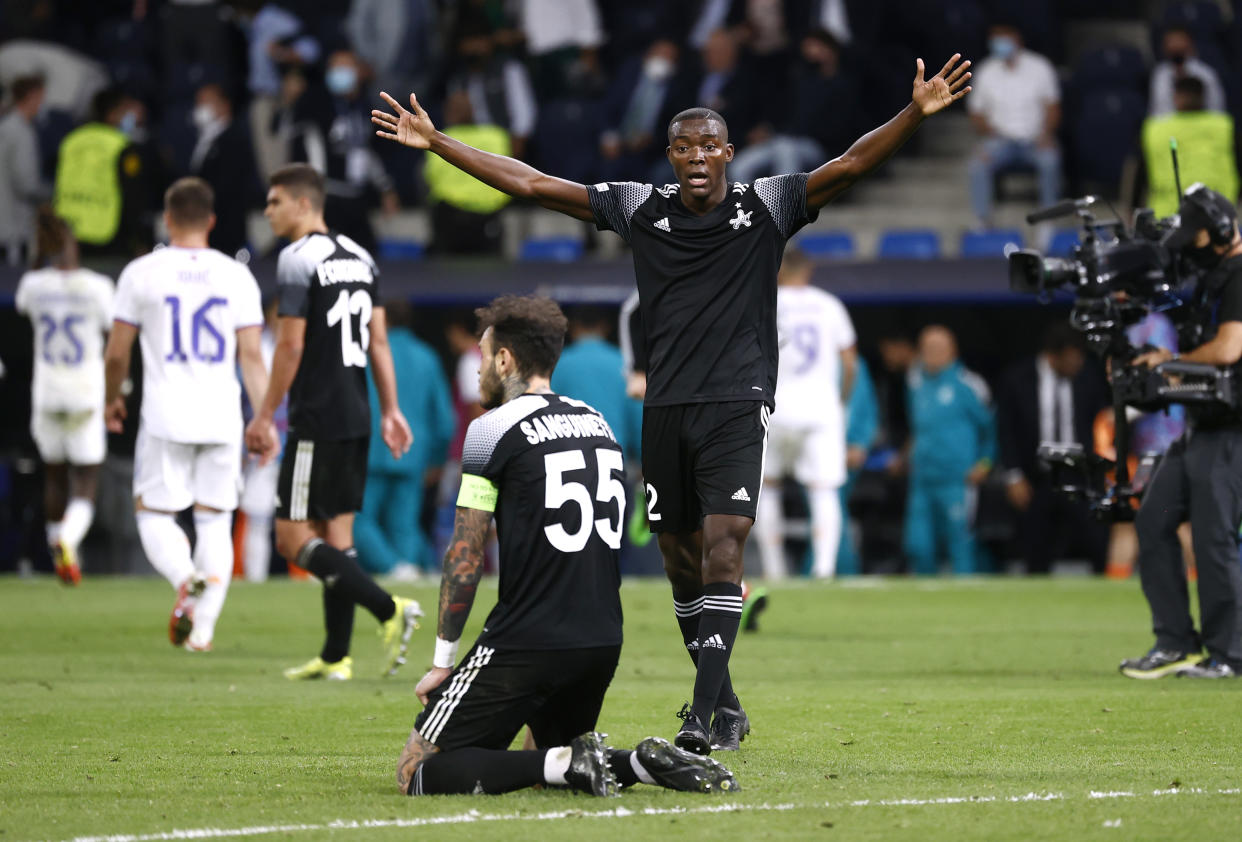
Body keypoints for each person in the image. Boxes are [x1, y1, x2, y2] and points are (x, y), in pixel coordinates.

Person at [373, 48, 972, 752]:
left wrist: (913, 113)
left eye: (709, 144)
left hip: (737, 401)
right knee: (681, 561)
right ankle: (727, 701)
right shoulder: (640, 208)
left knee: (726, 548)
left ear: (728, 153)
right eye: (683, 145)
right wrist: (439, 142)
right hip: (665, 408)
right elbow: (534, 185)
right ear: (669, 154)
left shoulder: (766, 204)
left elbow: (847, 166)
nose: (696, 155)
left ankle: (699, 712)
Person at [397, 294, 737, 798]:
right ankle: (636, 762)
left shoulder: (489, 429)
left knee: (416, 773)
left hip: (526, 640)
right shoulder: (599, 426)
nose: (478, 372)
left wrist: (444, 661)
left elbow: (465, 555)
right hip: (600, 641)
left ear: (506, 359)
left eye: (483, 356)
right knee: (551, 757)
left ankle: (571, 763)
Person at [244, 163, 421, 681]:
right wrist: (390, 408)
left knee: (289, 536)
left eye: (274, 202)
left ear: (303, 204)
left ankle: (389, 609)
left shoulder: (298, 259)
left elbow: (292, 343)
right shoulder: (362, 257)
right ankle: (336, 654)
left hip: (316, 414)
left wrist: (263, 415)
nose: (267, 211)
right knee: (337, 537)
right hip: (357, 411)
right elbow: (378, 341)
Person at [102, 177, 271, 651]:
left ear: (168, 218)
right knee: (215, 521)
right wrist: (263, 418)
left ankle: (185, 576)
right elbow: (252, 360)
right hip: (221, 417)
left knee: (154, 514)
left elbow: (117, 354)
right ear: (212, 221)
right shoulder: (236, 275)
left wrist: (112, 396)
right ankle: (203, 632)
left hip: (164, 415)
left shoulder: (141, 272)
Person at [1120, 184, 1242, 680]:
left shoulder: (1239, 274)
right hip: (1199, 426)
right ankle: (1173, 641)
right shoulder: (1213, 277)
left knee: (1213, 538)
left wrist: (1170, 361)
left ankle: (1229, 655)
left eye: (1196, 238)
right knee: (1153, 520)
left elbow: (1230, 348)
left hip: (1233, 430)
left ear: (1218, 233)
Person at [14, 207, 113, 584]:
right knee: (86, 477)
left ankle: (59, 550)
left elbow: (24, 302)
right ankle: (68, 541)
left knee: (54, 476)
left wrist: (40, 256)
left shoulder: (35, 286)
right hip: (84, 391)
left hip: (47, 391)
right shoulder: (98, 287)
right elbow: (110, 336)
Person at [753, 246, 857, 580]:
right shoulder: (830, 305)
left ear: (779, 271)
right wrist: (840, 400)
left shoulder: (765, 301)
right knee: (823, 489)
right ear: (808, 271)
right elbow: (849, 361)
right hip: (820, 409)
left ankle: (774, 569)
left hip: (775, 408)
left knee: (767, 487)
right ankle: (824, 569)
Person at [995, 322, 1110, 575]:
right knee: (1036, 552)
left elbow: (1104, 422)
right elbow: (1006, 430)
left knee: (1098, 543)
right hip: (1037, 477)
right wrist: (1013, 475)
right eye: (1071, 359)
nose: (1076, 365)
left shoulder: (1088, 378)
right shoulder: (1017, 380)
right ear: (1052, 355)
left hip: (1080, 475)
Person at [354, 301, 455, 580]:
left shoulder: (364, 353)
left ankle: (392, 567)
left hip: (369, 449)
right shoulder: (427, 356)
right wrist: (437, 458)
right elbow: (444, 418)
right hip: (413, 452)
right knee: (404, 525)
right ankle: (406, 576)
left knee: (356, 518)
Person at [903, 325, 995, 575]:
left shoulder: (968, 384)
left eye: (938, 348)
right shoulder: (915, 380)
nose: (931, 354)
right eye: (927, 348)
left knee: (960, 544)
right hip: (922, 478)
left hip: (957, 479)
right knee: (917, 545)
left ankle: (968, 603)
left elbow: (992, 428)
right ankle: (922, 605)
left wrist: (985, 463)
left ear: (952, 351)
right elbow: (918, 426)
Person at [288, 49, 400, 254]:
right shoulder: (314, 103)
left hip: (356, 197)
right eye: (335, 67)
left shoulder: (365, 107)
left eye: (345, 67)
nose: (339, 72)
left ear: (359, 72)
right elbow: (305, 147)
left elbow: (368, 151)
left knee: (366, 256)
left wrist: (386, 188)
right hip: (326, 196)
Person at [965, 22, 1060, 229]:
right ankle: (983, 222)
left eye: (1003, 38)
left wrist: (1046, 134)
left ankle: (1048, 222)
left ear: (1016, 39)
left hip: (1035, 139)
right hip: (1000, 140)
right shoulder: (986, 71)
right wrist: (988, 135)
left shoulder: (1039, 67)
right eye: (995, 40)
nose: (999, 44)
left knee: (1050, 161)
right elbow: (976, 113)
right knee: (977, 164)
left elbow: (1053, 107)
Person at [52, 87, 152, 265]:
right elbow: (133, 196)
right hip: (109, 237)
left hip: (69, 233)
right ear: (112, 114)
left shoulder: (71, 140)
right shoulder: (123, 146)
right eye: (124, 111)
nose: (129, 117)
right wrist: (140, 239)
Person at [550, 306, 642, 460]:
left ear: (572, 327)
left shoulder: (558, 364)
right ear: (605, 327)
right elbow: (638, 419)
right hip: (613, 459)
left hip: (566, 460)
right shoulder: (624, 363)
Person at [1141, 76, 1238, 219]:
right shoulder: (1223, 126)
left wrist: (1132, 209)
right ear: (1202, 96)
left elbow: (1139, 175)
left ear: (1175, 97)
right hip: (1217, 216)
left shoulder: (1155, 129)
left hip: (1168, 220)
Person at [189, 83, 262, 259]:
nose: (201, 109)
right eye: (198, 104)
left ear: (224, 105)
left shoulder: (234, 137)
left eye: (206, 103)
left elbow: (230, 185)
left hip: (227, 230)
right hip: (207, 226)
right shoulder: (204, 139)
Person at [837, 353, 878, 576]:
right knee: (833, 514)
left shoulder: (857, 365)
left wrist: (860, 444)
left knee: (834, 513)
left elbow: (868, 410)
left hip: (848, 454)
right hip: (814, 453)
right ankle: (844, 572)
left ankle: (830, 572)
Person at [0, 75, 48, 265]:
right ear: (32, 96)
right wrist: (51, 192)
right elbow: (26, 184)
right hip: (13, 231)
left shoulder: (4, 126)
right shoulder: (21, 132)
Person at [1148, 25, 1226, 118]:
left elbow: (1216, 110)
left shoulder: (1206, 73)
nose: (1175, 45)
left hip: (1200, 128)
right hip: (1168, 129)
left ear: (1190, 43)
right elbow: (1155, 111)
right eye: (1170, 41)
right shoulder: (1160, 74)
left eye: (1179, 40)